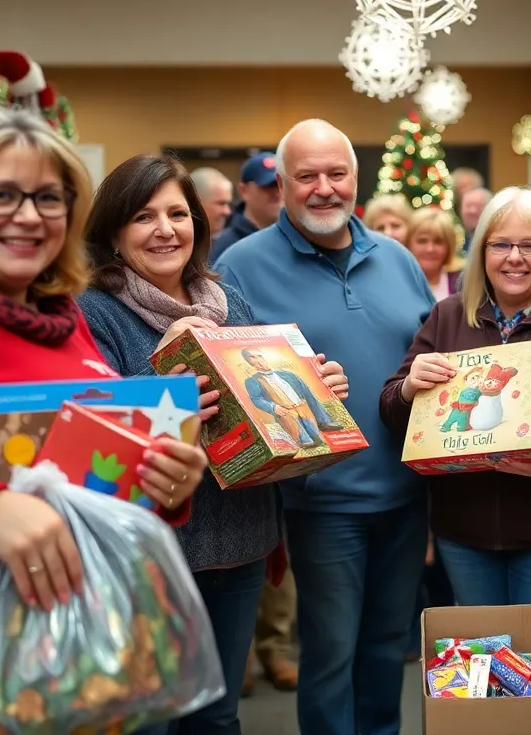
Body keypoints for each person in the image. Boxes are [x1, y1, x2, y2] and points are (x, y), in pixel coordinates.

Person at [0, 106, 207, 734]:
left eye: (49, 198)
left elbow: (78, 460)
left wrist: (166, 478)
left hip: (74, 648)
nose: (29, 215)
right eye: (1, 194)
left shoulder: (60, 316)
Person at [77, 153, 347, 733]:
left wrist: (315, 395)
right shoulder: (94, 312)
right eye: (144, 216)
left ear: (199, 224)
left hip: (239, 540)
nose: (165, 229)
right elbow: (90, 430)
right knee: (150, 719)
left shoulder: (228, 303)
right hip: (148, 556)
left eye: (178, 213)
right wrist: (162, 384)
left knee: (218, 717)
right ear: (115, 233)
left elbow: (264, 420)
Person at [215, 118, 435, 735]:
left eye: (336, 174)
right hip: (319, 504)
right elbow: (225, 385)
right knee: (331, 654)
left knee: (388, 646)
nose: (323, 188)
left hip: (404, 494)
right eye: (306, 176)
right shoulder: (241, 265)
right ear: (281, 184)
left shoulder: (396, 260)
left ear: (355, 180)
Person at [380, 187, 531, 605]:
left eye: (530, 245)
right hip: (464, 531)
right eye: (501, 244)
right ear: (481, 249)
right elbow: (391, 409)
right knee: (481, 655)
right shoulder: (449, 315)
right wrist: (408, 387)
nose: (514, 257)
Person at [208, 151, 283, 264]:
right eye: (269, 186)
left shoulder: (298, 239)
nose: (278, 193)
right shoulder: (226, 247)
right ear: (244, 191)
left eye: (281, 184)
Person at [406, 206, 462, 301]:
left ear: (449, 246)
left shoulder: (462, 284)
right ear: (408, 243)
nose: (430, 249)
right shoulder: (397, 281)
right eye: (422, 241)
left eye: (438, 241)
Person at [191, 167, 235, 237]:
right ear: (196, 203)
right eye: (221, 204)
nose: (227, 212)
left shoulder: (231, 242)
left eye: (228, 204)